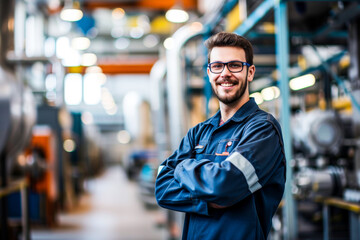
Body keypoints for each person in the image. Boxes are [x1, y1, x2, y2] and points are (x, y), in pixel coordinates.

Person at [155, 32, 286, 240]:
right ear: (209, 73)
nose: (225, 73)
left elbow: (223, 186)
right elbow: (162, 188)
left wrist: (182, 167)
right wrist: (211, 200)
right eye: (217, 66)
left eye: (235, 65)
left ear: (250, 72)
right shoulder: (198, 132)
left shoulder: (262, 130)